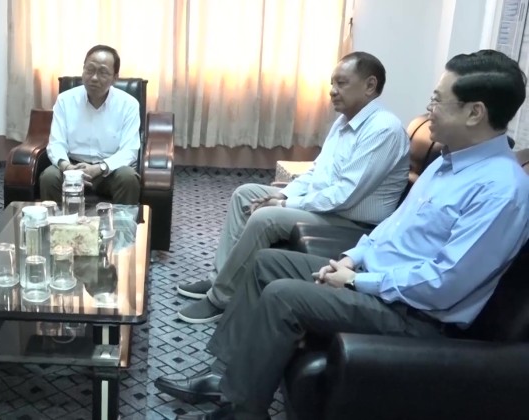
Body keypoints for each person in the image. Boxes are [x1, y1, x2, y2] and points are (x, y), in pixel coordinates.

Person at [156, 49, 529, 420]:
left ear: (474, 112)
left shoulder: (500, 190)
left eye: (437, 100)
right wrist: (354, 258)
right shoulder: (448, 163)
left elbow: (445, 284)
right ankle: (228, 380)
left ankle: (242, 411)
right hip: (378, 279)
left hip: (415, 314)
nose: (429, 109)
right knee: (266, 263)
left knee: (283, 296)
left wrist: (357, 281)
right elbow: (392, 227)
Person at [176, 51, 410, 324]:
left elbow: (344, 195)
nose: (332, 91)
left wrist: (284, 204)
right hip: (328, 207)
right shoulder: (344, 122)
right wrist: (283, 193)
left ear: (370, 85)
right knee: (246, 194)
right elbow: (317, 172)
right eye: (332, 83)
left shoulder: (384, 130)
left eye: (342, 83)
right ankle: (220, 278)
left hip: (352, 221)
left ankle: (221, 299)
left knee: (266, 217)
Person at [40, 44, 142, 205]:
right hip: (72, 167)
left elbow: (129, 150)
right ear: (83, 70)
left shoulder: (128, 104)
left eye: (103, 72)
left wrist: (100, 168)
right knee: (49, 177)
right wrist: (67, 167)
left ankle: (123, 222)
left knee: (128, 178)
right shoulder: (65, 100)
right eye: (90, 70)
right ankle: (60, 220)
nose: (94, 78)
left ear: (115, 78)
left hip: (109, 170)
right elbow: (56, 143)